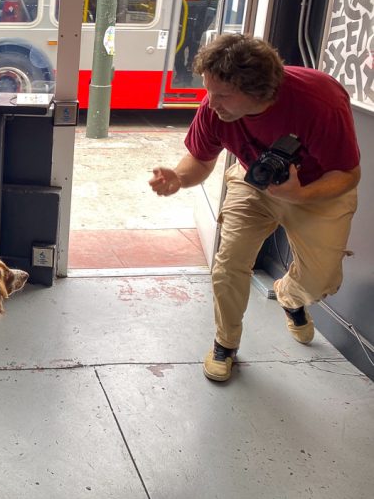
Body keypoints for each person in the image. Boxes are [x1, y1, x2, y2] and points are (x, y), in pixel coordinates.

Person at [149, 33, 360, 383]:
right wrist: (178, 178)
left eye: (222, 95)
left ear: (259, 91)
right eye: (208, 90)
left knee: (320, 282)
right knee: (229, 262)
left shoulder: (319, 101)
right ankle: (225, 343)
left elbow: (349, 174)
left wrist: (299, 196)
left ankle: (290, 295)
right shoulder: (214, 109)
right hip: (254, 182)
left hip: (318, 191)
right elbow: (200, 161)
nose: (210, 102)